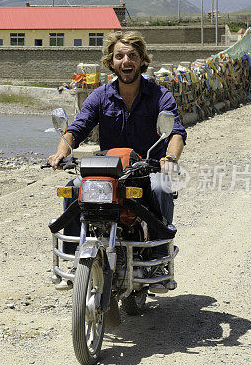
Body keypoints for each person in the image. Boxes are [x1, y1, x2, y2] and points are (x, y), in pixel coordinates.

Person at [49, 31, 187, 277]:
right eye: (120, 56)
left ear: (142, 60)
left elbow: (175, 131)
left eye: (132, 56)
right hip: (106, 171)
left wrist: (171, 159)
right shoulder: (100, 96)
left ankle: (158, 255)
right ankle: (73, 255)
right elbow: (76, 129)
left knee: (160, 188)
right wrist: (61, 153)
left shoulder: (159, 95)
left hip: (146, 169)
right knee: (73, 188)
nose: (126, 61)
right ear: (111, 62)